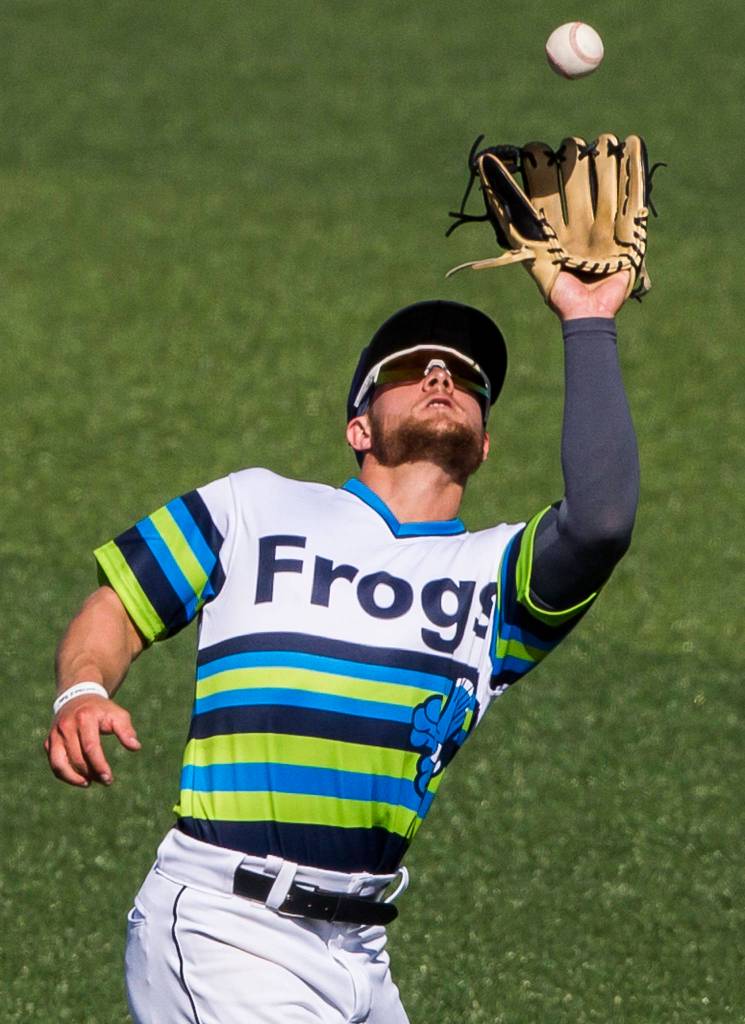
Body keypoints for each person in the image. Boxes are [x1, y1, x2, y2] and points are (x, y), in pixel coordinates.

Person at [45, 268, 639, 1024]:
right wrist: (83, 689)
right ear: (358, 426)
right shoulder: (251, 505)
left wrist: (587, 322)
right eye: (408, 367)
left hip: (362, 955)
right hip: (228, 932)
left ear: (484, 443)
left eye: (465, 377)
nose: (439, 374)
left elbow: (599, 523)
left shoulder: (499, 581)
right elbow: (118, 607)